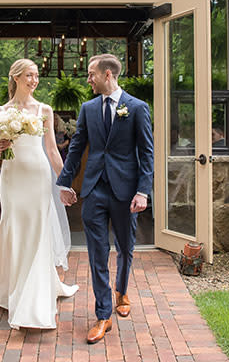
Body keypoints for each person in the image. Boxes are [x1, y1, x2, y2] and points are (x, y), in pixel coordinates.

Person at [56, 53, 154, 344]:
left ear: (108, 75)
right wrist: (64, 183)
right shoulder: (87, 108)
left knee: (125, 248)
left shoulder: (137, 108)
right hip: (94, 190)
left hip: (126, 192)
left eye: (91, 74)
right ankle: (103, 315)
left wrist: (142, 191)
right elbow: (76, 149)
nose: (88, 80)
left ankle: (121, 291)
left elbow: (146, 152)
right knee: (97, 254)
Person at [0, 59, 78, 329]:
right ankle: (11, 287)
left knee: (37, 229)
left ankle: (32, 292)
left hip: (37, 176)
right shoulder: (1, 112)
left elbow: (52, 150)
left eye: (36, 76)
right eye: (29, 75)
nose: (34, 80)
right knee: (13, 227)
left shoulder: (44, 109)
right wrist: (2, 145)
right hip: (13, 177)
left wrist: (65, 181)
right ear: (16, 77)